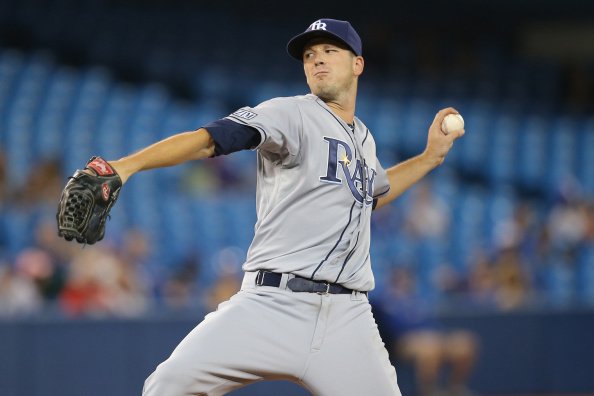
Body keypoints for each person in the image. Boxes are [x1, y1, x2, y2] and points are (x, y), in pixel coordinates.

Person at [89, 19, 463, 395]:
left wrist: (430, 157)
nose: (317, 60)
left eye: (330, 51)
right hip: (271, 303)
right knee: (167, 386)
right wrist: (126, 166)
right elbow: (211, 140)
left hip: (347, 318)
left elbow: (375, 195)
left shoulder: (364, 138)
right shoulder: (291, 113)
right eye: (309, 55)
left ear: (357, 65)